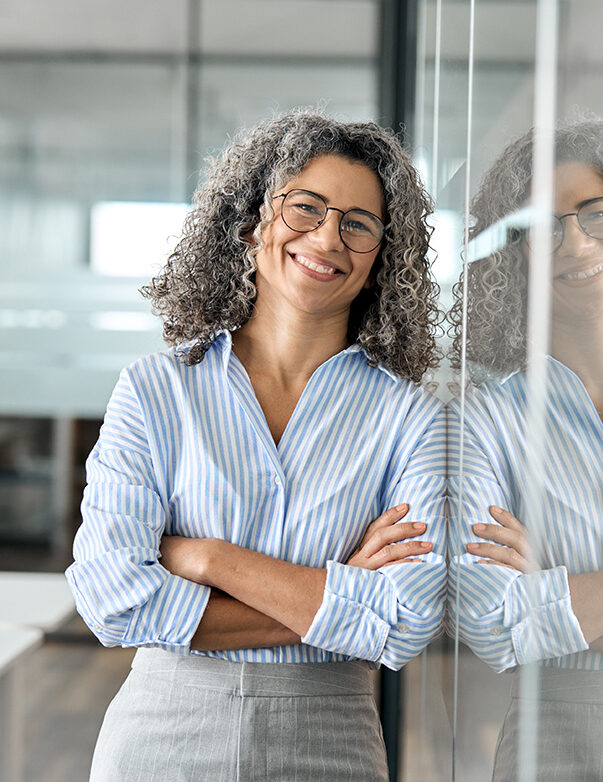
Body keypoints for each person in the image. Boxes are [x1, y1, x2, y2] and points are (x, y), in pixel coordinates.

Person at [66, 109, 447, 781]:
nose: (327, 237)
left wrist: (208, 558)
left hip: (331, 743)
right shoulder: (156, 391)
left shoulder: (408, 417)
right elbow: (114, 599)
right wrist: (342, 591)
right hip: (161, 736)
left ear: (381, 258)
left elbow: (403, 622)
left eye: (357, 223)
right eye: (306, 207)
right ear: (249, 223)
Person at [447, 119, 603, 781]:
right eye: (545, 224)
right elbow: (495, 623)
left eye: (595, 214)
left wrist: (561, 592)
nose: (575, 242)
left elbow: (535, 612)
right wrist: (528, 605)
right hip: (559, 735)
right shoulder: (482, 417)